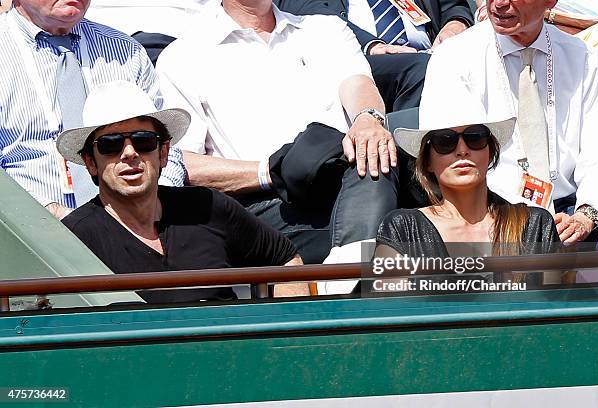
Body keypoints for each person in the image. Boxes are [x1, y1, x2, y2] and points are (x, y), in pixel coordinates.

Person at [156, 0, 402, 264]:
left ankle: (357, 278)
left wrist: (368, 119)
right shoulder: (184, 56)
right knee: (406, 244)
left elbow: (358, 83)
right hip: (263, 204)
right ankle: (363, 279)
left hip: (347, 181)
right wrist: (272, 170)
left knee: (375, 154)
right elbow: (182, 164)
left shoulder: (325, 29)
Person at [59, 82, 306, 303]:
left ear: (164, 152)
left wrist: (287, 341)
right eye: (110, 144)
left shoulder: (207, 206)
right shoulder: (74, 238)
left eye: (143, 141)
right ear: (91, 162)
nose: (129, 153)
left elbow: (284, 258)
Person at [420, 0, 598, 248]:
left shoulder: (582, 57)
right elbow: (456, 161)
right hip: (493, 211)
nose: (499, 4)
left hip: (573, 208)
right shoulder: (455, 57)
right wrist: (531, 221)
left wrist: (586, 215)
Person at [0, 0, 185, 220]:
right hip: (30, 231)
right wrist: (51, 216)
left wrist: (155, 207)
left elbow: (167, 145)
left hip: (139, 226)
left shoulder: (124, 51)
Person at [377, 113, 560, 275]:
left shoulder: (535, 224)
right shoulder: (402, 228)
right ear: (427, 161)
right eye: (445, 141)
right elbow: (389, 308)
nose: (462, 150)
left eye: (475, 137)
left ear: (490, 153)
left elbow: (555, 308)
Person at [275, 0, 474, 112]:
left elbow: (453, 4)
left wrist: (455, 24)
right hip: (360, 60)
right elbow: (308, 12)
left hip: (436, 52)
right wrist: (372, 46)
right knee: (424, 69)